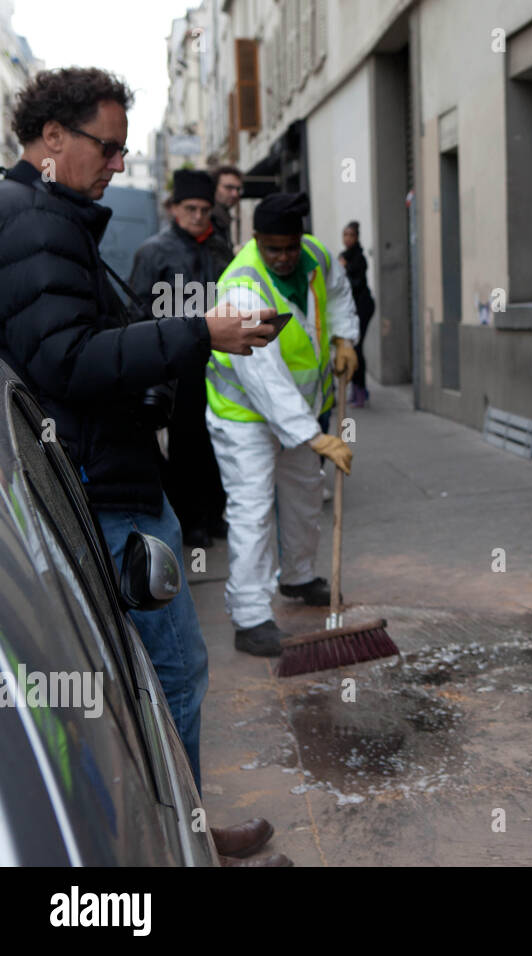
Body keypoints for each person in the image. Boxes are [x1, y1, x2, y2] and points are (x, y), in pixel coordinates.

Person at [0, 67, 287, 863]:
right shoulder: (31, 221)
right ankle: (178, 841)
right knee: (175, 671)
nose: (119, 164)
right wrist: (202, 334)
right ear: (52, 137)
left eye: (125, 150)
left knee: (147, 678)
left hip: (103, 477)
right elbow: (68, 359)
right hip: (104, 493)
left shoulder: (47, 214)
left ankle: (179, 827)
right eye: (109, 146)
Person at [205, 191, 360, 657]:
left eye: (290, 246)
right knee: (252, 511)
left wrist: (344, 338)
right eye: (274, 248)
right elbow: (263, 376)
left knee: (304, 495)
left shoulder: (316, 255)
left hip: (299, 411)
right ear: (255, 241)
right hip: (245, 418)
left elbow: (338, 295)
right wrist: (314, 436)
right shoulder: (243, 284)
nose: (285, 256)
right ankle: (250, 618)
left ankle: (297, 576)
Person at [129, 169, 228, 548]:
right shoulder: (153, 251)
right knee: (186, 442)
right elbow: (139, 311)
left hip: (220, 362)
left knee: (217, 437)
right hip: (178, 363)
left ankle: (215, 512)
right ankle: (191, 520)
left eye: (205, 208)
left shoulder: (220, 248)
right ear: (174, 208)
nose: (199, 215)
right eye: (191, 208)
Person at [339, 220, 375, 408]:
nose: (347, 239)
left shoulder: (358, 258)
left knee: (357, 348)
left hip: (363, 306)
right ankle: (356, 390)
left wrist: (345, 268)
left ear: (357, 237)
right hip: (350, 309)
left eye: (351, 235)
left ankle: (361, 391)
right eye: (345, 235)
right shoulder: (343, 256)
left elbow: (356, 285)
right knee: (351, 348)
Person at [209, 163, 242, 265]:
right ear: (214, 188)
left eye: (238, 189)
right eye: (229, 188)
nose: (235, 194)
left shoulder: (222, 218)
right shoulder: (207, 219)